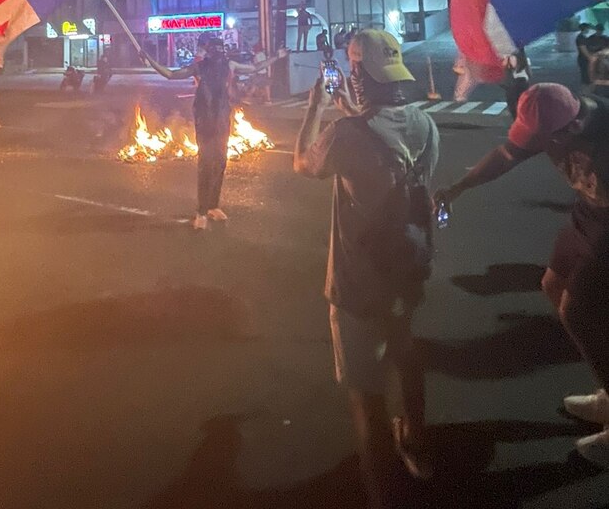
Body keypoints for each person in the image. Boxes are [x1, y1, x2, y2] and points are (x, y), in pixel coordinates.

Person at [294, 30, 440, 507]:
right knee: (405, 351)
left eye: (354, 67)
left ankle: (382, 490)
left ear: (358, 75)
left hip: (358, 282)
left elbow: (302, 164)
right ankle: (415, 442)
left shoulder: (347, 134)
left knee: (365, 393)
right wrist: (350, 114)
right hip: (407, 268)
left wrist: (316, 107)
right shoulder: (423, 125)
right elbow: (383, 147)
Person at [435, 83, 609, 467]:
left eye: (542, 139)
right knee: (552, 285)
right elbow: (505, 155)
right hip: (586, 215)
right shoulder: (552, 121)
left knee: (580, 313)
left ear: (570, 127)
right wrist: (459, 187)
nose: (535, 146)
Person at [142, 38, 285, 230]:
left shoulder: (230, 65)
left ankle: (213, 206)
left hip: (222, 119)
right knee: (206, 165)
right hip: (205, 120)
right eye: (215, 48)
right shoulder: (199, 67)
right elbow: (170, 74)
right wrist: (150, 60)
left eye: (221, 48)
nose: (219, 51)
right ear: (208, 50)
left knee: (220, 162)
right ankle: (201, 212)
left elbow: (254, 68)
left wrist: (276, 57)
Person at [504, 47, 531, 118]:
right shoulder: (525, 59)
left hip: (515, 82)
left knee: (513, 104)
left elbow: (507, 68)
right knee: (522, 103)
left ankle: (517, 120)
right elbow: (529, 73)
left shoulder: (510, 57)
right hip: (524, 81)